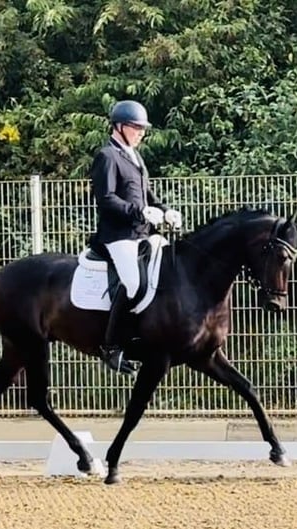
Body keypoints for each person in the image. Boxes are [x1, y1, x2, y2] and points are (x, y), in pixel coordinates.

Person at [89, 100, 183, 374]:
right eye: (136, 127)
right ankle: (111, 347)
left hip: (142, 234)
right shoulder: (107, 156)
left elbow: (147, 195)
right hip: (118, 236)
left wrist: (165, 211)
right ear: (119, 127)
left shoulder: (135, 156)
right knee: (134, 285)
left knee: (168, 271)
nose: (141, 132)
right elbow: (106, 199)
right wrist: (140, 212)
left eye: (143, 128)